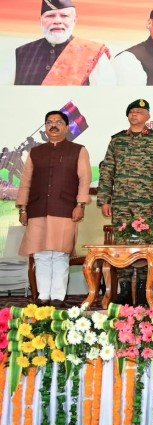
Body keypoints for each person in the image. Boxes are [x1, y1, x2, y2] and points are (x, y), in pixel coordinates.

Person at [98, 99, 153, 306]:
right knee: (122, 244)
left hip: (146, 202)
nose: (134, 114)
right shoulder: (117, 140)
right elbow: (107, 171)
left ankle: (143, 289)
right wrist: (105, 199)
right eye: (131, 111)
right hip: (121, 201)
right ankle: (124, 289)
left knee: (144, 245)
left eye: (139, 111)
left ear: (148, 116)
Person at [16, 110, 92, 307]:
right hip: (37, 208)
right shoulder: (35, 152)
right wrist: (23, 208)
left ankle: (58, 296)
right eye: (49, 122)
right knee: (40, 253)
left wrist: (80, 204)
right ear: (45, 128)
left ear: (67, 128)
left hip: (65, 209)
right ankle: (43, 295)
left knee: (59, 253)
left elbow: (85, 180)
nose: (54, 125)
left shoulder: (78, 150)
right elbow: (26, 182)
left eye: (59, 122)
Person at [5, 0, 115, 86]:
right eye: (50, 16)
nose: (57, 21)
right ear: (40, 20)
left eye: (64, 16)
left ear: (74, 20)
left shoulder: (93, 53)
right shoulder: (19, 54)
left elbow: (105, 97)